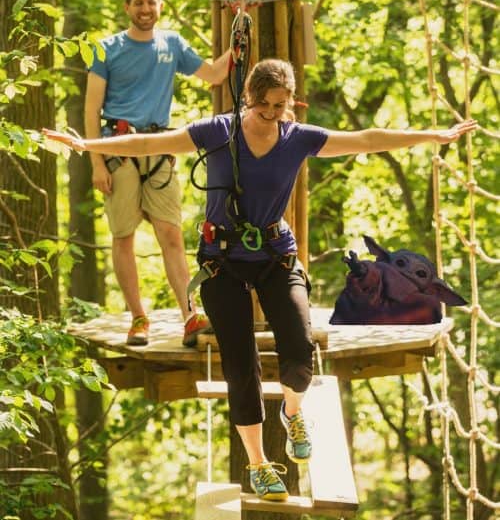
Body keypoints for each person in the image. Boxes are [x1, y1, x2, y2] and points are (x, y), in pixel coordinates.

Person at [45, 58, 477, 501]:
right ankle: (258, 464)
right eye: (264, 106)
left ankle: (292, 413)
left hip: (276, 256)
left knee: (297, 349)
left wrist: (432, 135)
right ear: (250, 98)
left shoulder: (298, 139)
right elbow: (155, 141)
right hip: (223, 260)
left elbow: (365, 140)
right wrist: (87, 146)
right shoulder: (219, 131)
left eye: (280, 106)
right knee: (240, 363)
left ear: (291, 102)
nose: (272, 115)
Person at [85, 0, 231, 346]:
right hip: (119, 148)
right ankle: (138, 319)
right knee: (124, 235)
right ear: (127, 7)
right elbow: (91, 109)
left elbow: (214, 74)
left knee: (170, 233)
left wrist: (239, 31)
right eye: (139, 3)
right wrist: (97, 163)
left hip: (159, 147)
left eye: (152, 3)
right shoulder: (106, 49)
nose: (146, 9)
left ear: (160, 6)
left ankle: (190, 314)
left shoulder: (172, 45)